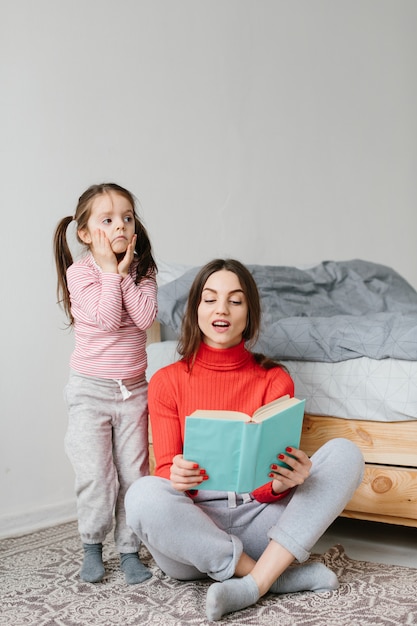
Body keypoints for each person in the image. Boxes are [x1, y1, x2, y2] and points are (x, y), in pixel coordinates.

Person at [125, 258, 364, 619]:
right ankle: (270, 577)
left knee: (346, 453)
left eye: (235, 301)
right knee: (141, 495)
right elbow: (164, 472)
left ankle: (251, 585)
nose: (222, 309)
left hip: (260, 521)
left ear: (249, 314)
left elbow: (268, 481)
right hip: (193, 538)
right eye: (210, 299)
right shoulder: (166, 381)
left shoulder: (274, 379)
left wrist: (284, 482)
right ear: (196, 309)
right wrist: (175, 479)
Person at [53, 183, 158, 584]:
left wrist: (125, 272)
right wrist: (111, 272)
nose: (120, 226)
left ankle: (130, 550)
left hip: (133, 392)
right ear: (85, 233)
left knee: (134, 474)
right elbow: (108, 318)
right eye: (108, 220)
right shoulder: (79, 273)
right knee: (96, 475)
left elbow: (146, 319)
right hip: (89, 392)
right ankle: (92, 546)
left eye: (127, 218)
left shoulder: (143, 271)